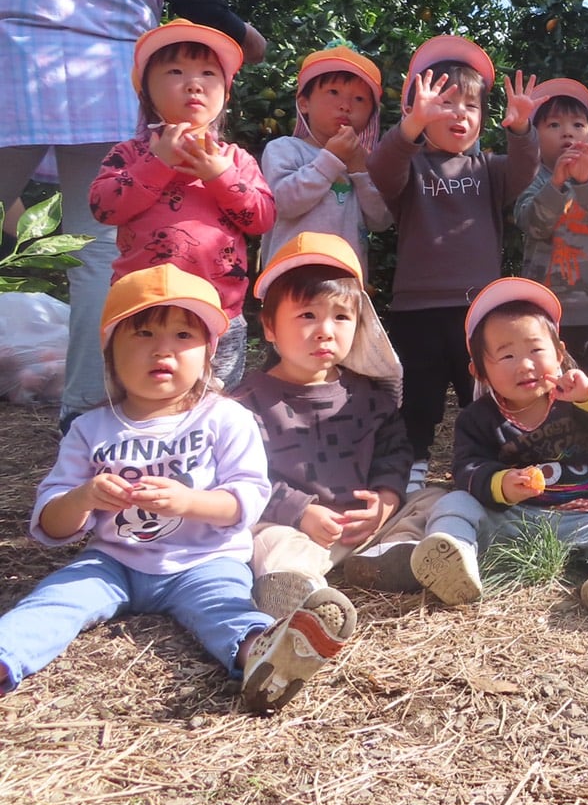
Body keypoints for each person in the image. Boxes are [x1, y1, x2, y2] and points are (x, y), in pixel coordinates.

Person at [0, 0, 265, 425]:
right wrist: (249, 42)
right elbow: (204, 10)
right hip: (109, 81)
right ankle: (88, 411)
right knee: (95, 252)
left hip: (11, 61)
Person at [0, 264, 355, 712]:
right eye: (143, 334)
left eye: (183, 337)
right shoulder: (90, 429)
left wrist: (189, 502)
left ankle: (263, 660)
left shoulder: (225, 418)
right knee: (57, 598)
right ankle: (6, 655)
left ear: (208, 354)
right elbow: (51, 520)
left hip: (204, 562)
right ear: (110, 353)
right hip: (113, 561)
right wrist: (83, 497)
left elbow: (248, 496)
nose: (162, 350)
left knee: (227, 610)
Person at [409, 279, 588, 613]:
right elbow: (467, 469)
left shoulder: (576, 401)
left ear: (560, 353)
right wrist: (502, 485)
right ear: (480, 372)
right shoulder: (478, 419)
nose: (525, 364)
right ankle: (454, 558)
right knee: (455, 502)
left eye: (535, 350)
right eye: (507, 355)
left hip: (581, 514)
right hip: (510, 516)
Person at [367, 36, 540, 489]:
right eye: (445, 103)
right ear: (418, 112)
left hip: (477, 311)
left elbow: (525, 172)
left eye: (471, 105)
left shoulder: (489, 169)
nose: (461, 114)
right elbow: (381, 170)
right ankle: (412, 470)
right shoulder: (412, 167)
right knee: (418, 399)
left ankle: (490, 466)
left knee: (483, 396)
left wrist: (521, 130)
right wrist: (407, 131)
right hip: (417, 311)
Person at [233, 233, 437, 614]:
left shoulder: (368, 396)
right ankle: (296, 588)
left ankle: (387, 559)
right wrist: (300, 512)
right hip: (296, 529)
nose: (326, 329)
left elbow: (394, 451)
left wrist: (387, 499)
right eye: (307, 315)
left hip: (366, 527)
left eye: (341, 316)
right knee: (268, 541)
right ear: (271, 326)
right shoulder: (249, 403)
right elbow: (243, 478)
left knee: (437, 499)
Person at [88, 19, 275, 389]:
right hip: (142, 310)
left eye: (208, 73)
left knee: (216, 405)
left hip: (219, 314)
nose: (194, 83)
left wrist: (219, 175)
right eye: (175, 71)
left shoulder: (235, 160)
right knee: (141, 400)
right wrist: (156, 164)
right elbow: (103, 207)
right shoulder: (129, 154)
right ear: (146, 93)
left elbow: (262, 218)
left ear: (225, 93)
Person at [513, 77, 588, 379]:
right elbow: (533, 225)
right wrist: (557, 183)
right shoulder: (532, 181)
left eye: (577, 125)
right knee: (548, 380)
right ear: (535, 138)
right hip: (545, 309)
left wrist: (586, 182)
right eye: (554, 126)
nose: (567, 133)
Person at [259, 42, 391, 273]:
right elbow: (283, 204)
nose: (346, 106)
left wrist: (359, 169)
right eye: (333, 92)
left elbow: (380, 220)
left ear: (371, 115)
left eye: (360, 99)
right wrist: (331, 158)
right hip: (289, 278)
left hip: (345, 284)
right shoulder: (285, 148)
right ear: (304, 103)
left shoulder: (366, 163)